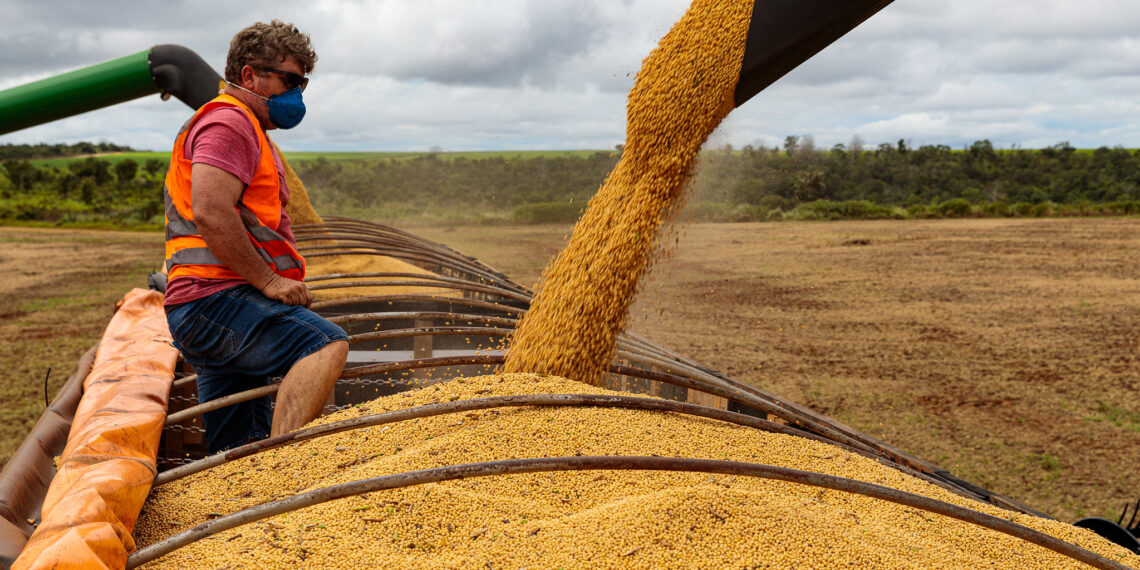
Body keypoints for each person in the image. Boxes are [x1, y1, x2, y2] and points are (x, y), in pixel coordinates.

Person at [163, 20, 348, 453]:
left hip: (210, 304)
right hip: (215, 299)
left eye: (302, 83)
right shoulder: (230, 123)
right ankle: (278, 472)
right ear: (249, 76)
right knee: (324, 343)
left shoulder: (245, 128)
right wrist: (269, 281)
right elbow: (210, 211)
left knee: (237, 447)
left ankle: (239, 501)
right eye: (289, 80)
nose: (297, 94)